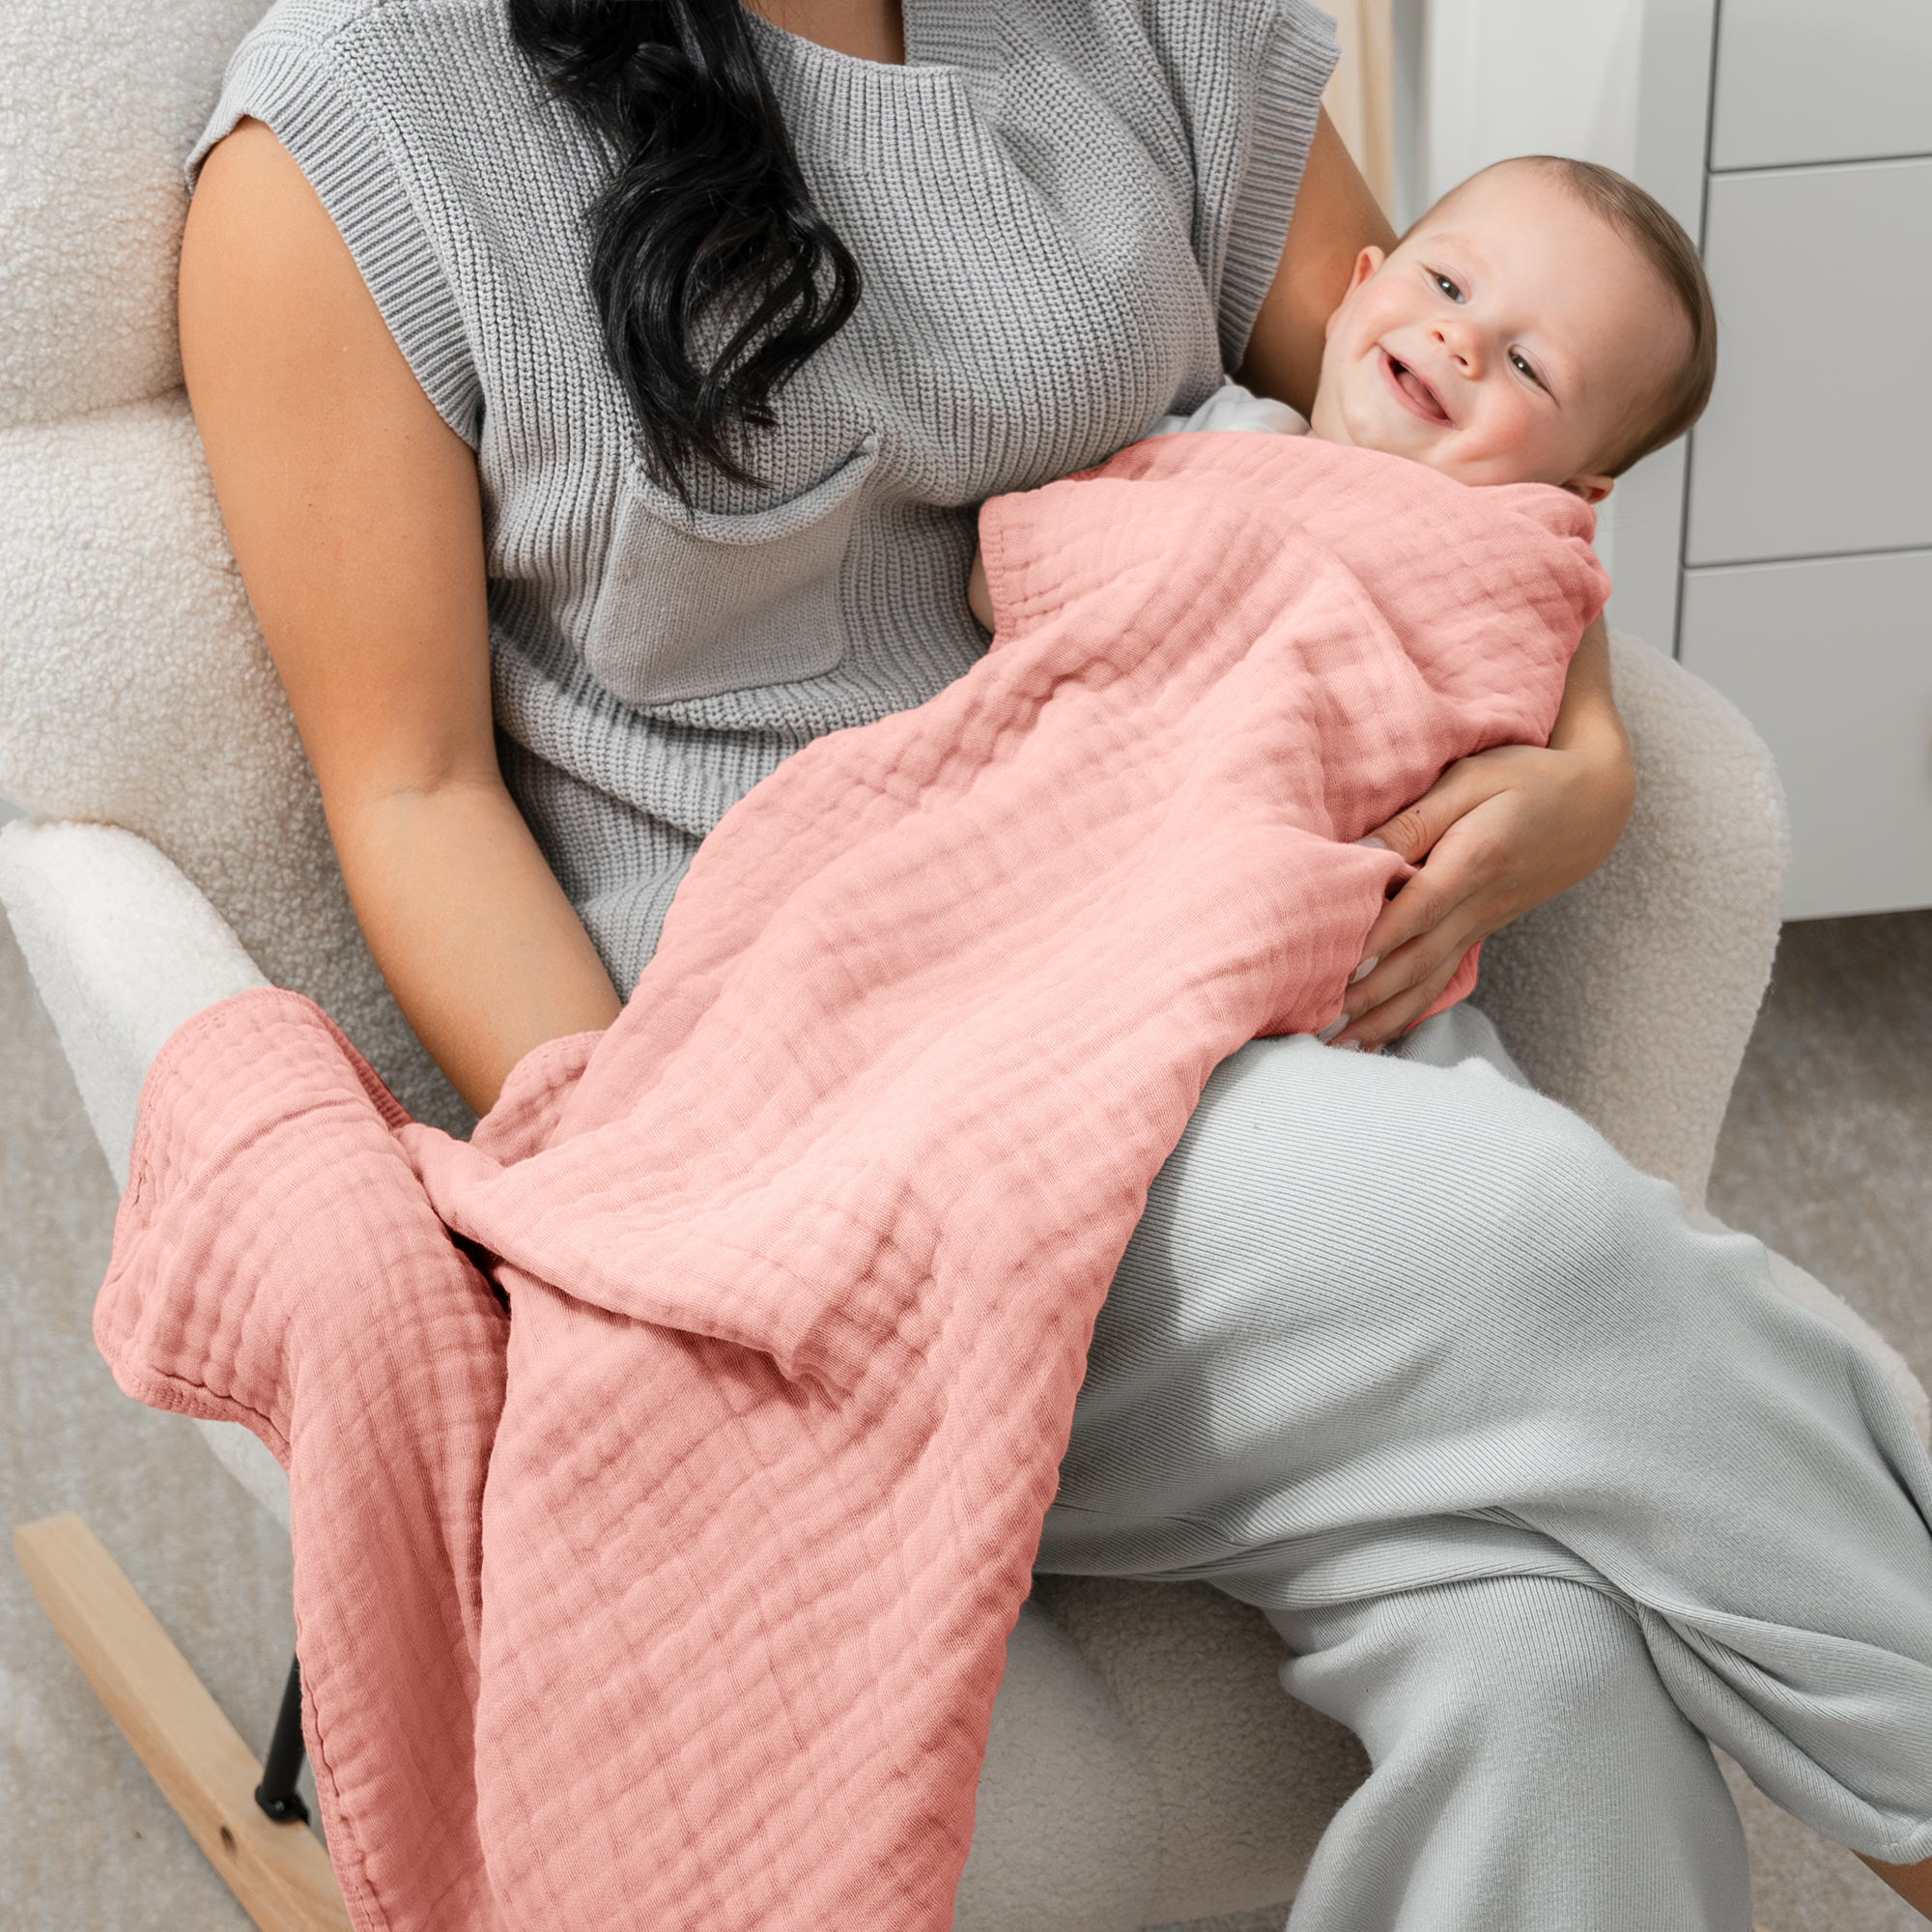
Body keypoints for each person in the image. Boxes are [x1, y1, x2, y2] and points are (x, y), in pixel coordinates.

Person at [175, 0, 1932, 1924]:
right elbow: (415, 792)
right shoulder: (355, 142)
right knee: (1541, 1246)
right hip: (836, 1078)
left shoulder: (1142, 20)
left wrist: (1583, 762)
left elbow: (1458, 426)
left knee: (1553, 1682)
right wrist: (682, 1207)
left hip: (1228, 948)